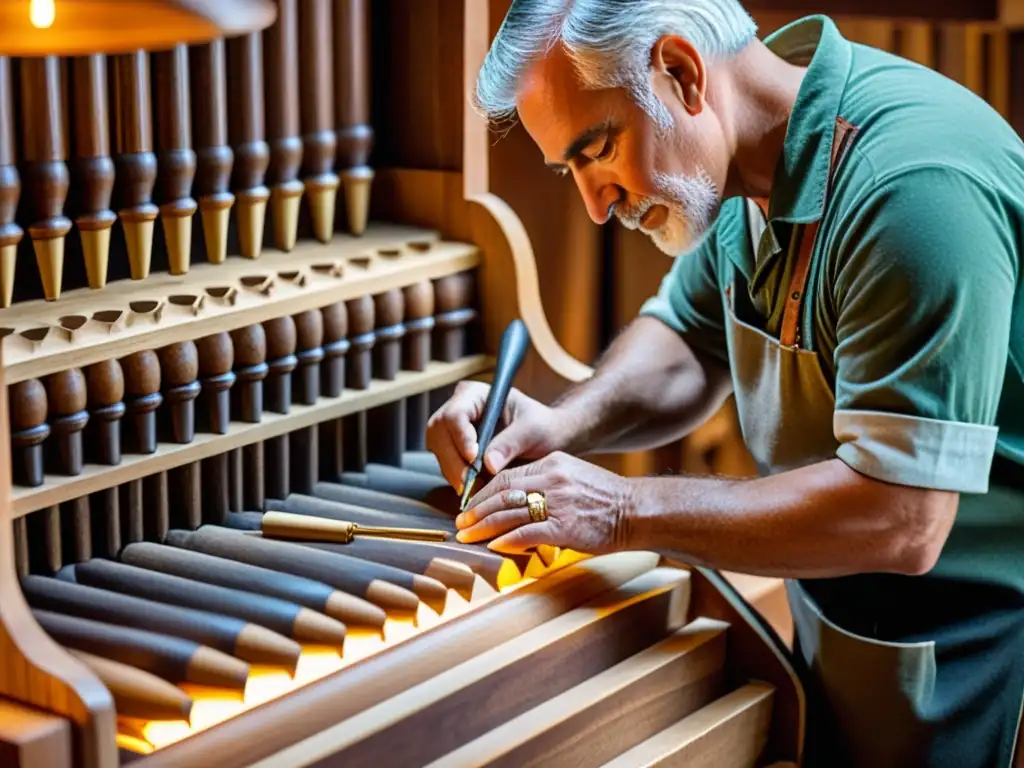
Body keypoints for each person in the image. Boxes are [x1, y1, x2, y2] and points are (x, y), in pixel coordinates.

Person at [425, 2, 1024, 766]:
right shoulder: (748, 169)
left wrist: (620, 509)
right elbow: (686, 342)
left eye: (599, 150)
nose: (596, 204)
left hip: (988, 642)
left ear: (681, 72)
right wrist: (559, 424)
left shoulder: (912, 187)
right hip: (864, 632)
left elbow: (900, 517)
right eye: (568, 170)